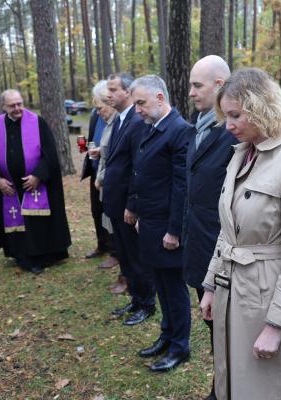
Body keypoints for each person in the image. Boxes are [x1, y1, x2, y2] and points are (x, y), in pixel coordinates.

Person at [200, 68, 281, 400]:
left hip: (268, 296)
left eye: (236, 115)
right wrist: (210, 285)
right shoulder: (240, 154)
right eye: (226, 115)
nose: (229, 125)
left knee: (269, 387)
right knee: (235, 383)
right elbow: (228, 230)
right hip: (232, 290)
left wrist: (276, 325)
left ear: (261, 107)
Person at [129, 75, 193, 372]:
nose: (137, 109)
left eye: (140, 103)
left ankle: (180, 346)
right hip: (150, 223)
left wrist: (174, 230)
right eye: (135, 104)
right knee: (161, 285)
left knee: (174, 287)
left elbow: (182, 186)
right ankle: (167, 335)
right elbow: (143, 174)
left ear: (159, 97)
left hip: (168, 227)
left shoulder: (179, 130)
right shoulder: (151, 128)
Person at [184, 55, 236, 400]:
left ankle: (226, 391)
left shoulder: (233, 132)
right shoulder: (200, 123)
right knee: (212, 329)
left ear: (220, 86)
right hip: (198, 246)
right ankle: (221, 387)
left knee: (228, 332)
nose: (190, 92)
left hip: (222, 253)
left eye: (197, 85)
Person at [0, 89, 71, 274]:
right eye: (12, 105)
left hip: (34, 184)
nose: (17, 108)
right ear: (3, 106)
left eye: (20, 103)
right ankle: (20, 254)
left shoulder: (37, 122)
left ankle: (41, 256)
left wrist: (37, 176)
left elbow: (50, 154)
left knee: (36, 222)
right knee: (18, 221)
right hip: (10, 187)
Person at [102, 72, 156, 326]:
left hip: (127, 205)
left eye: (113, 89)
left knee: (135, 257)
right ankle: (136, 297)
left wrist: (132, 205)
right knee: (124, 255)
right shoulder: (120, 119)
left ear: (128, 92)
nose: (108, 94)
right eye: (108, 90)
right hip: (115, 203)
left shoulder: (136, 121)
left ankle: (146, 302)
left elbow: (138, 166)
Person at [80, 81, 119, 270]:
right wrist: (88, 149)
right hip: (95, 169)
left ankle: (114, 251)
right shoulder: (96, 117)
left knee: (108, 213)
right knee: (96, 211)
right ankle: (101, 244)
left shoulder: (118, 120)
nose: (97, 111)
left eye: (100, 106)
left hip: (108, 174)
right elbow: (92, 139)